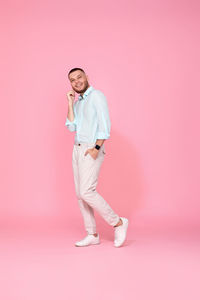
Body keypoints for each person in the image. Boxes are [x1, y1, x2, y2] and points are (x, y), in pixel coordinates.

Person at [65, 67, 129, 247]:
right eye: (72, 80)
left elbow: (104, 124)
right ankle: (92, 234)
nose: (76, 81)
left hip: (92, 148)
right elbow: (71, 127)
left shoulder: (97, 96)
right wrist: (70, 103)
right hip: (77, 149)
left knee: (87, 191)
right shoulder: (77, 102)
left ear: (86, 77)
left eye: (79, 77)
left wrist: (97, 147)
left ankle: (118, 222)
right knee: (80, 195)